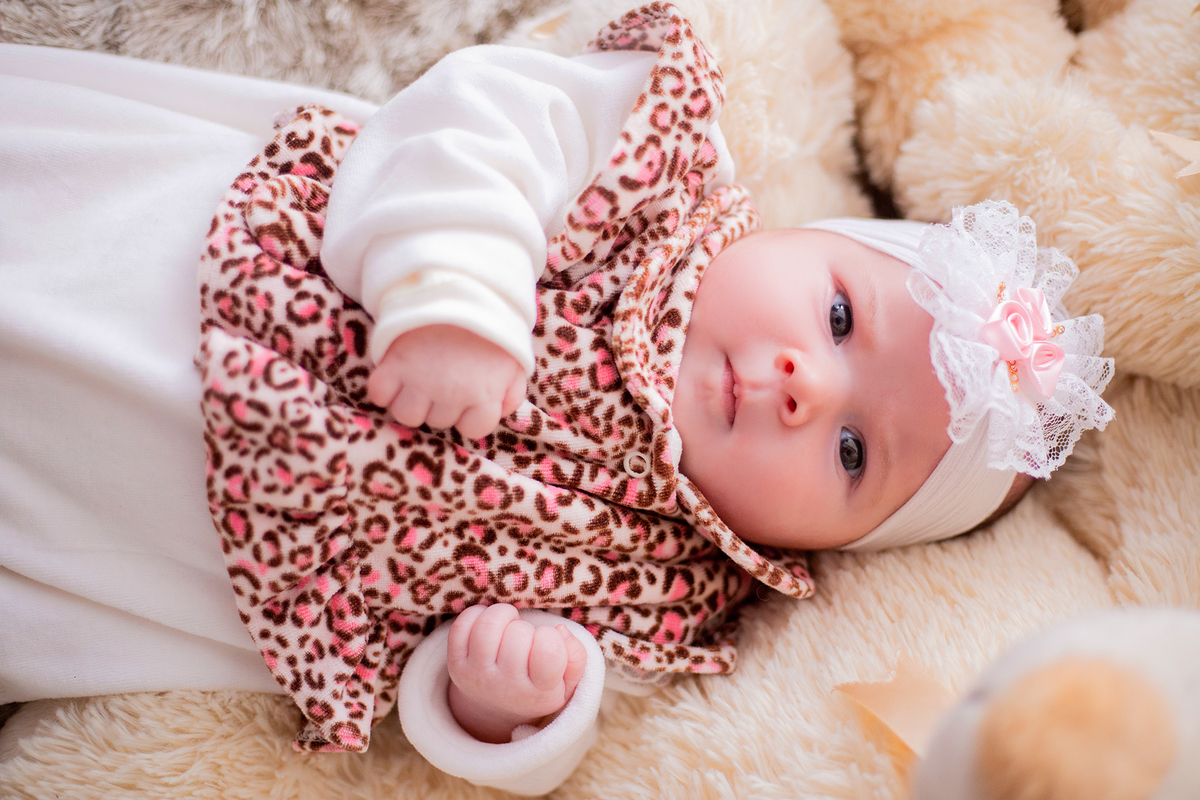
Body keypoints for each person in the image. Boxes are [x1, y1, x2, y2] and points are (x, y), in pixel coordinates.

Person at [0, 3, 1113, 794]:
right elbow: (477, 116)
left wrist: (508, 704)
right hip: (198, 268)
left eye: (856, 451)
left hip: (176, 545)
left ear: (831, 543)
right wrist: (455, 291)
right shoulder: (650, 177)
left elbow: (477, 717)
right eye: (837, 317)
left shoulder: (669, 592)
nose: (802, 385)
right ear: (808, 238)